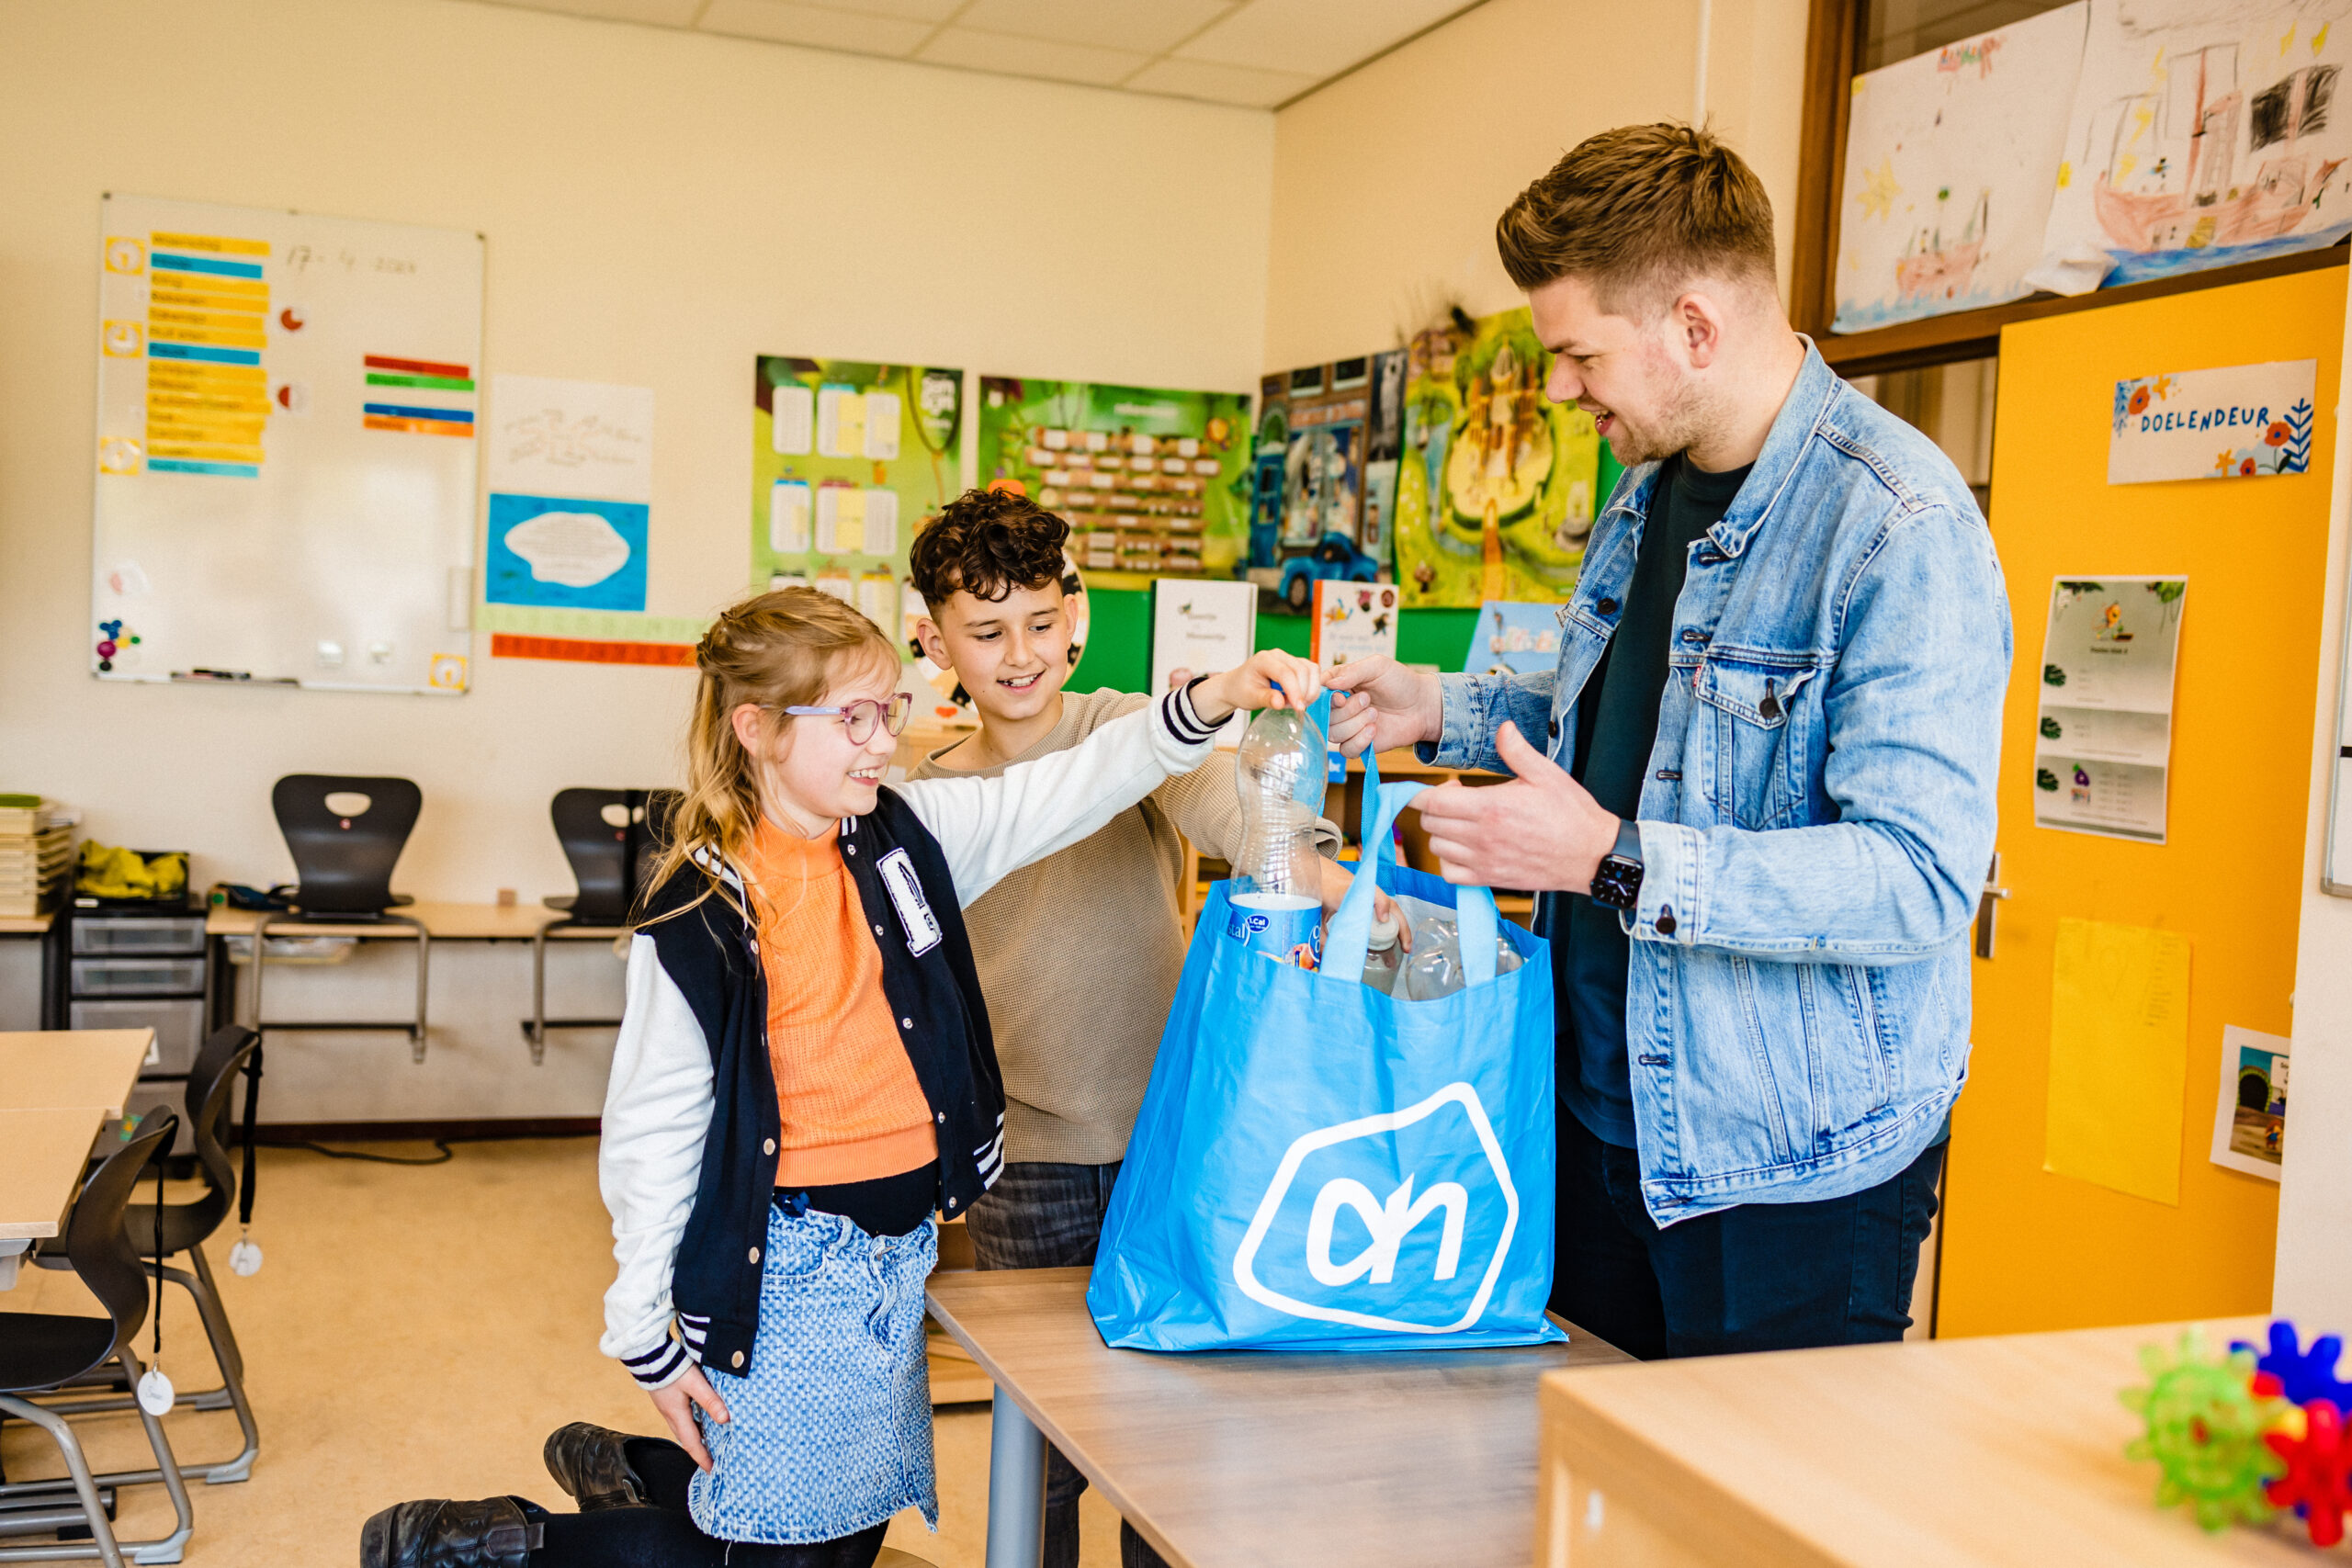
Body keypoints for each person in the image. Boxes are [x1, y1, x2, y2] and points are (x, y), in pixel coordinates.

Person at [363, 587, 1324, 1568]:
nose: (880, 741)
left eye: (890, 712)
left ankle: (643, 1475)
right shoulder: (701, 908)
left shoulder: (906, 837)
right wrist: (641, 1330)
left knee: (847, 1529)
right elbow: (653, 1131)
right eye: (853, 718)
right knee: (793, 1554)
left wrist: (1209, 700)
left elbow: (1071, 784)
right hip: (781, 1265)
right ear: (759, 729)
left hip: (890, 1254)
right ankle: (496, 1545)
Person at [1327, 122, 2011, 1361]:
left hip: (1786, 1174)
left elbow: (1919, 877)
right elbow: (1638, 728)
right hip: (1595, 1121)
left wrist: (1610, 859)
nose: (1563, 390)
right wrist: (1443, 705)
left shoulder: (1898, 525)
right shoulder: (1649, 491)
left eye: (1580, 353)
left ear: (1693, 327)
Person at [905, 485, 1374, 1568]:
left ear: (1075, 613)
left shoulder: (1125, 727)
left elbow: (1232, 814)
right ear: (935, 641)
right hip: (1028, 1154)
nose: (1020, 654)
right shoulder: (922, 793)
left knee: (1168, 1415)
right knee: (1045, 1429)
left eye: (1040, 620)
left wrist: (1339, 886)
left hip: (1179, 1136)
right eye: (985, 632)